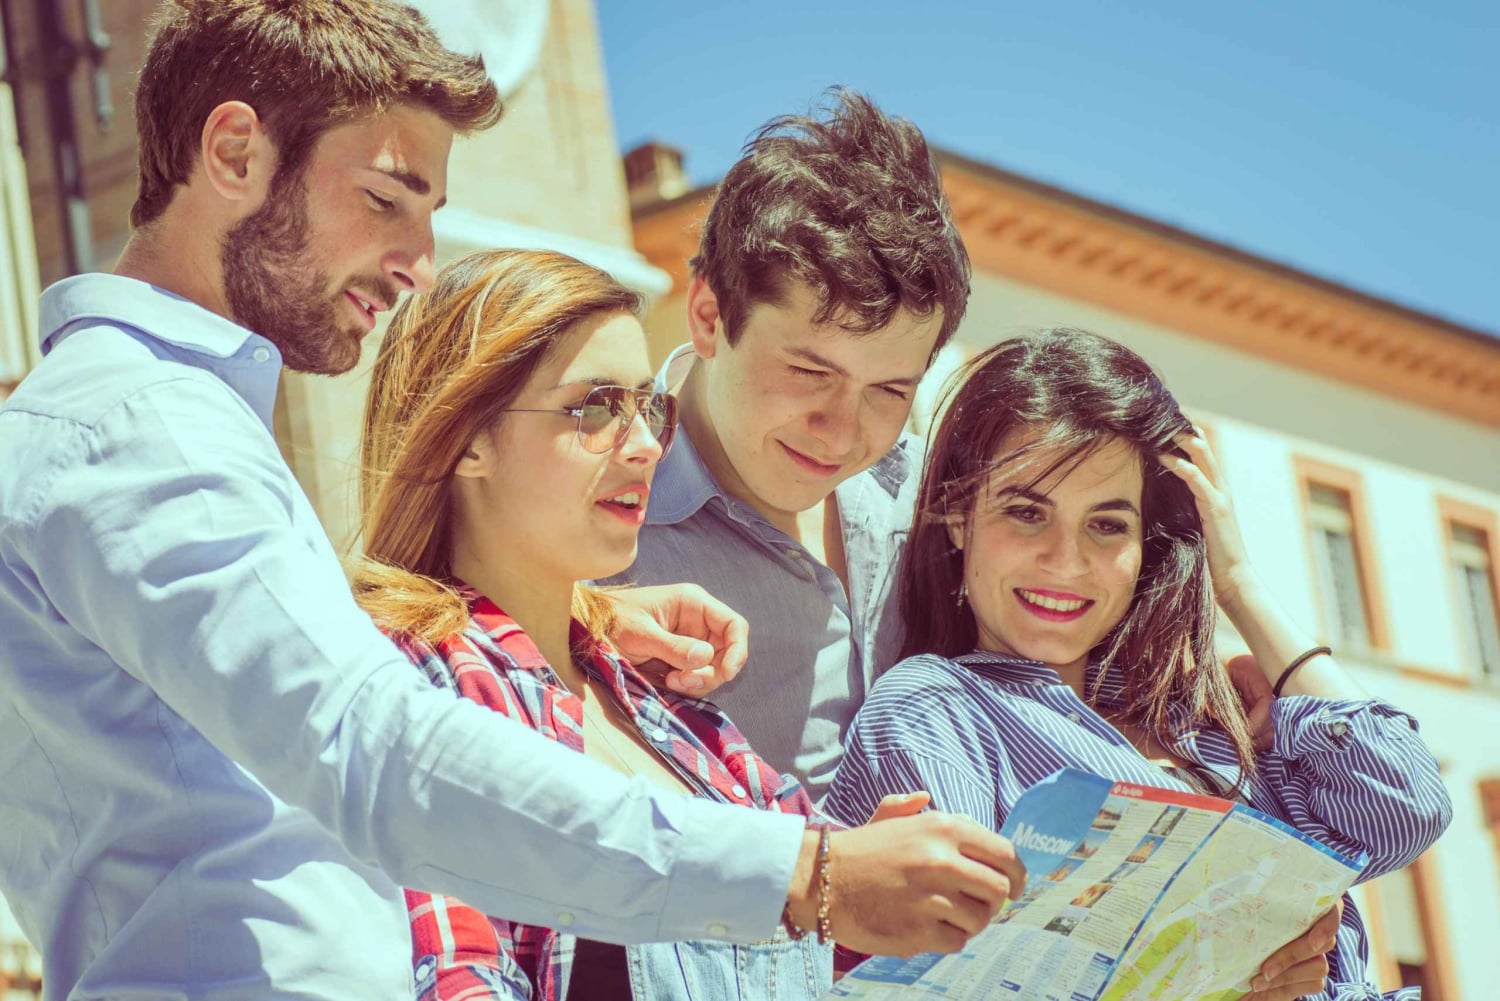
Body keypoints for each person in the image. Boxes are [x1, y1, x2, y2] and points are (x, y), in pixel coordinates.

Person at [0, 4, 1019, 998]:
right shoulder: (138, 423)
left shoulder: (174, 421)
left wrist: (577, 620)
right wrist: (810, 873)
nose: (418, 265)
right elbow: (377, 747)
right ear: (234, 153)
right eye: (386, 199)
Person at [354, 248, 1011, 999]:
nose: (644, 445)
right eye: (596, 407)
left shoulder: (659, 698)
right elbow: (458, 978)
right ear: (467, 436)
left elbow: (817, 906)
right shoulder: (414, 681)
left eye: (648, 407)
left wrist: (877, 881)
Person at [825, 328, 1454, 1001]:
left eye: (1107, 524)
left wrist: (1239, 584)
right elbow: (968, 979)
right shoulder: (933, 711)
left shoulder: (1204, 720)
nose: (1066, 561)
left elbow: (1405, 808)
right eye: (1026, 512)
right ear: (959, 516)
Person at [614, 89, 967, 799]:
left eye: (888, 390)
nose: (843, 432)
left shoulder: (932, 498)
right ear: (709, 316)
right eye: (810, 372)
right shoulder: (586, 514)